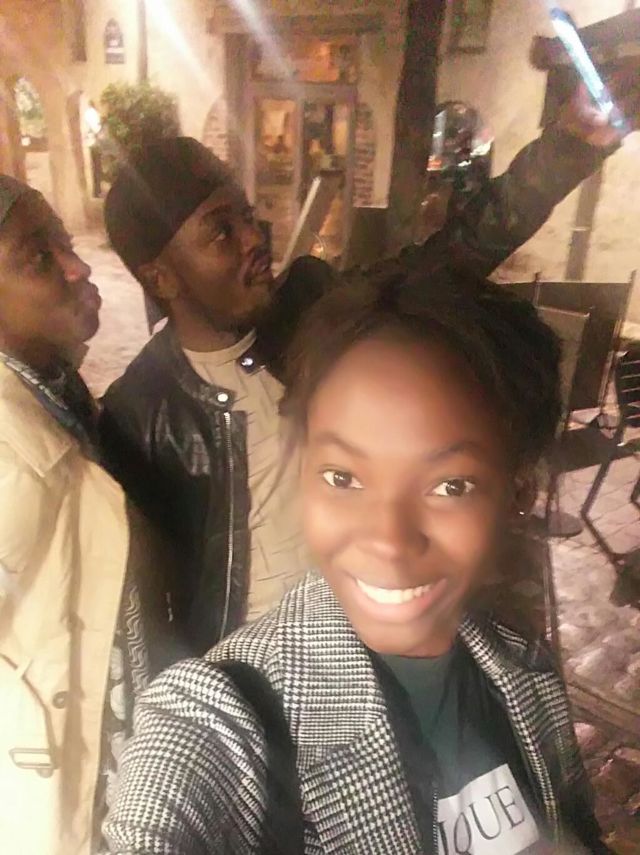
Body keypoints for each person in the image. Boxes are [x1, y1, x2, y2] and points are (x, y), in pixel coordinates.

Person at [100, 78, 637, 657]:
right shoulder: (142, 413)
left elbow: (453, 255)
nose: (254, 238)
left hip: (369, 629)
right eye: (221, 232)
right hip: (252, 670)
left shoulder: (313, 309)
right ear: (160, 277)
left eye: (248, 217)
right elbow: (145, 609)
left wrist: (566, 149)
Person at [104, 273, 609, 854]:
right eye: (343, 477)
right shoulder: (228, 715)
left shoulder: (524, 668)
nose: (387, 540)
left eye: (450, 485)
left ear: (517, 491)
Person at [0, 175, 171, 855]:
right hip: (58, 796)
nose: (77, 267)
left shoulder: (58, 392)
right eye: (37, 258)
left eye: (65, 243)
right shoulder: (9, 458)